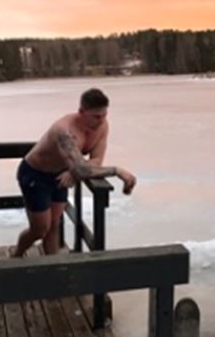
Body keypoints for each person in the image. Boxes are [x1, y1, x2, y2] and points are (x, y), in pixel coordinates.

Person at [14, 88, 137, 257]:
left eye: (104, 115)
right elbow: (82, 168)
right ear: (81, 112)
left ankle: (52, 265)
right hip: (36, 173)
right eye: (96, 116)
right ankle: (18, 254)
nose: (101, 121)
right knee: (40, 229)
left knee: (54, 224)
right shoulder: (64, 131)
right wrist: (116, 171)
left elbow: (96, 160)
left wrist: (74, 172)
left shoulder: (103, 127)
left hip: (60, 174)